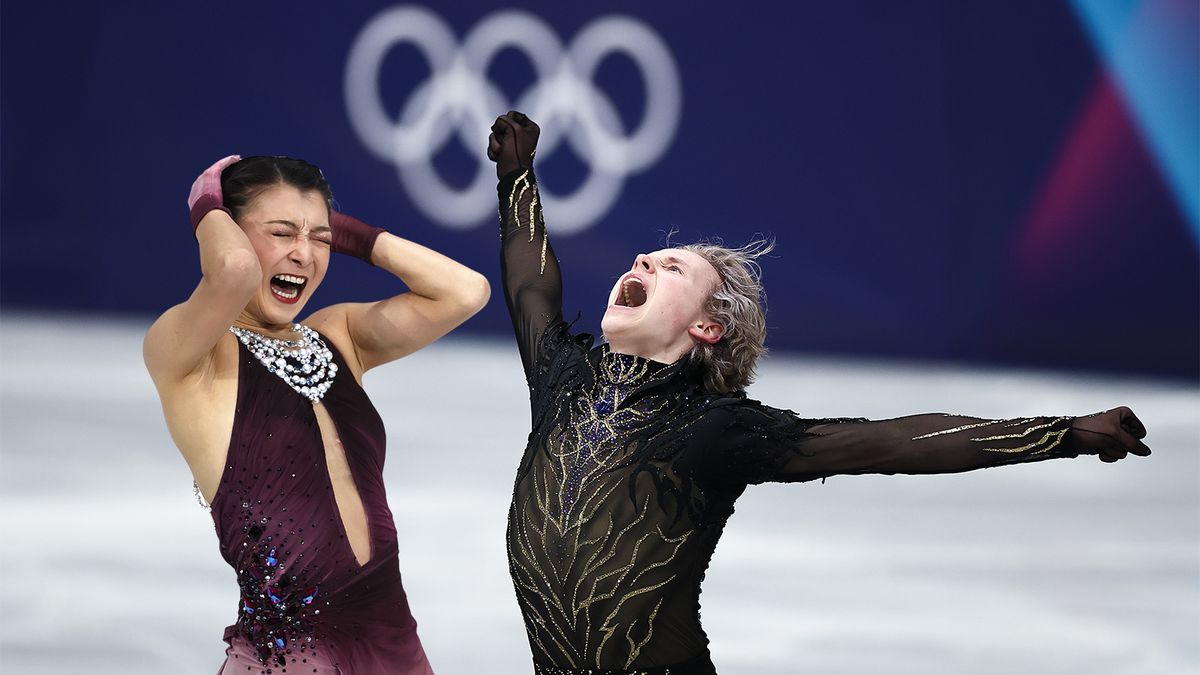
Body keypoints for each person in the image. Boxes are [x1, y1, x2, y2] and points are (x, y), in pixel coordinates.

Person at [486, 112, 1151, 675]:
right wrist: (517, 176)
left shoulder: (712, 430)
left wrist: (1064, 431)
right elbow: (529, 281)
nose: (643, 262)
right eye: (645, 259)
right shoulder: (563, 379)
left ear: (707, 326)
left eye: (671, 267)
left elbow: (891, 442)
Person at [144, 155, 490, 674]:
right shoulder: (193, 358)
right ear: (231, 235)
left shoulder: (338, 337)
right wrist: (205, 204)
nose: (303, 255)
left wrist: (345, 233)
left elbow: (465, 292)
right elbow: (234, 273)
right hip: (288, 655)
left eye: (320, 240)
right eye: (280, 233)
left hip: (393, 641)